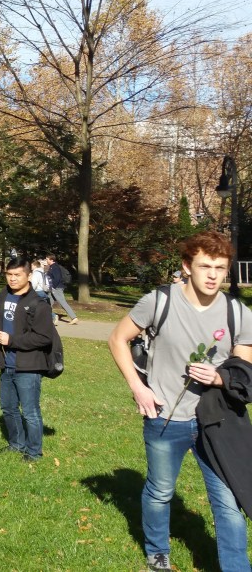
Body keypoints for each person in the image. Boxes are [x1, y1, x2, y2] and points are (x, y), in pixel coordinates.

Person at [107, 232, 252, 572]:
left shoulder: (237, 312)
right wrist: (139, 387)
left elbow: (244, 368)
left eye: (220, 267)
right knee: (160, 492)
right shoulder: (159, 301)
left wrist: (219, 377)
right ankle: (158, 554)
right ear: (187, 267)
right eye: (205, 266)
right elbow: (117, 339)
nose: (213, 275)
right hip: (165, 418)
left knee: (229, 503)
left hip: (217, 422)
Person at [0, 257, 57, 462]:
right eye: (9, 275)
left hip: (29, 365)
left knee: (30, 412)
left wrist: (12, 340)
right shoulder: (4, 295)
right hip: (7, 362)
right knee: (8, 407)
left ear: (29, 276)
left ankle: (34, 452)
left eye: (17, 275)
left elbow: (44, 337)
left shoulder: (38, 303)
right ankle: (17, 444)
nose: (13, 279)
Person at [44, 253, 79, 325]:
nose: (46, 260)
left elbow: (57, 278)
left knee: (63, 303)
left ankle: (74, 317)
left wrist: (53, 286)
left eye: (47, 259)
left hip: (57, 288)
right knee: (48, 303)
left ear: (51, 260)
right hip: (54, 288)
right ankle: (47, 317)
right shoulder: (52, 267)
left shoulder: (55, 267)